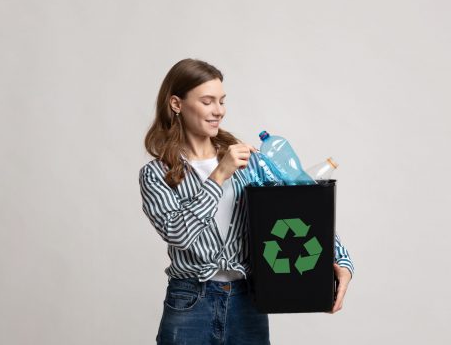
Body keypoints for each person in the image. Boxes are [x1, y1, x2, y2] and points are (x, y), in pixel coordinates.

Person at [138, 58, 354, 344]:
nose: (219, 111)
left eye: (222, 101)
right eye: (207, 101)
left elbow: (297, 204)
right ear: (176, 103)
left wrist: (339, 258)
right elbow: (180, 234)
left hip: (247, 301)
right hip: (190, 303)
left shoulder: (249, 162)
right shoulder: (157, 174)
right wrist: (219, 175)